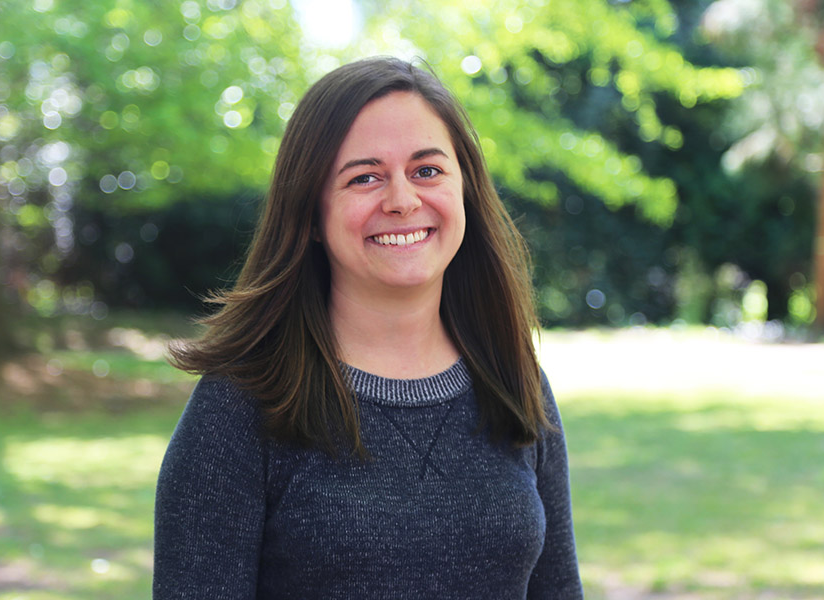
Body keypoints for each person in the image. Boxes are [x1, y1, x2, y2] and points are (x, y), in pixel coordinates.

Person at [153, 56, 583, 599]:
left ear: (466, 191)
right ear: (309, 215)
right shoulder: (239, 404)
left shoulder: (515, 379)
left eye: (427, 170)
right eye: (364, 177)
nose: (402, 201)